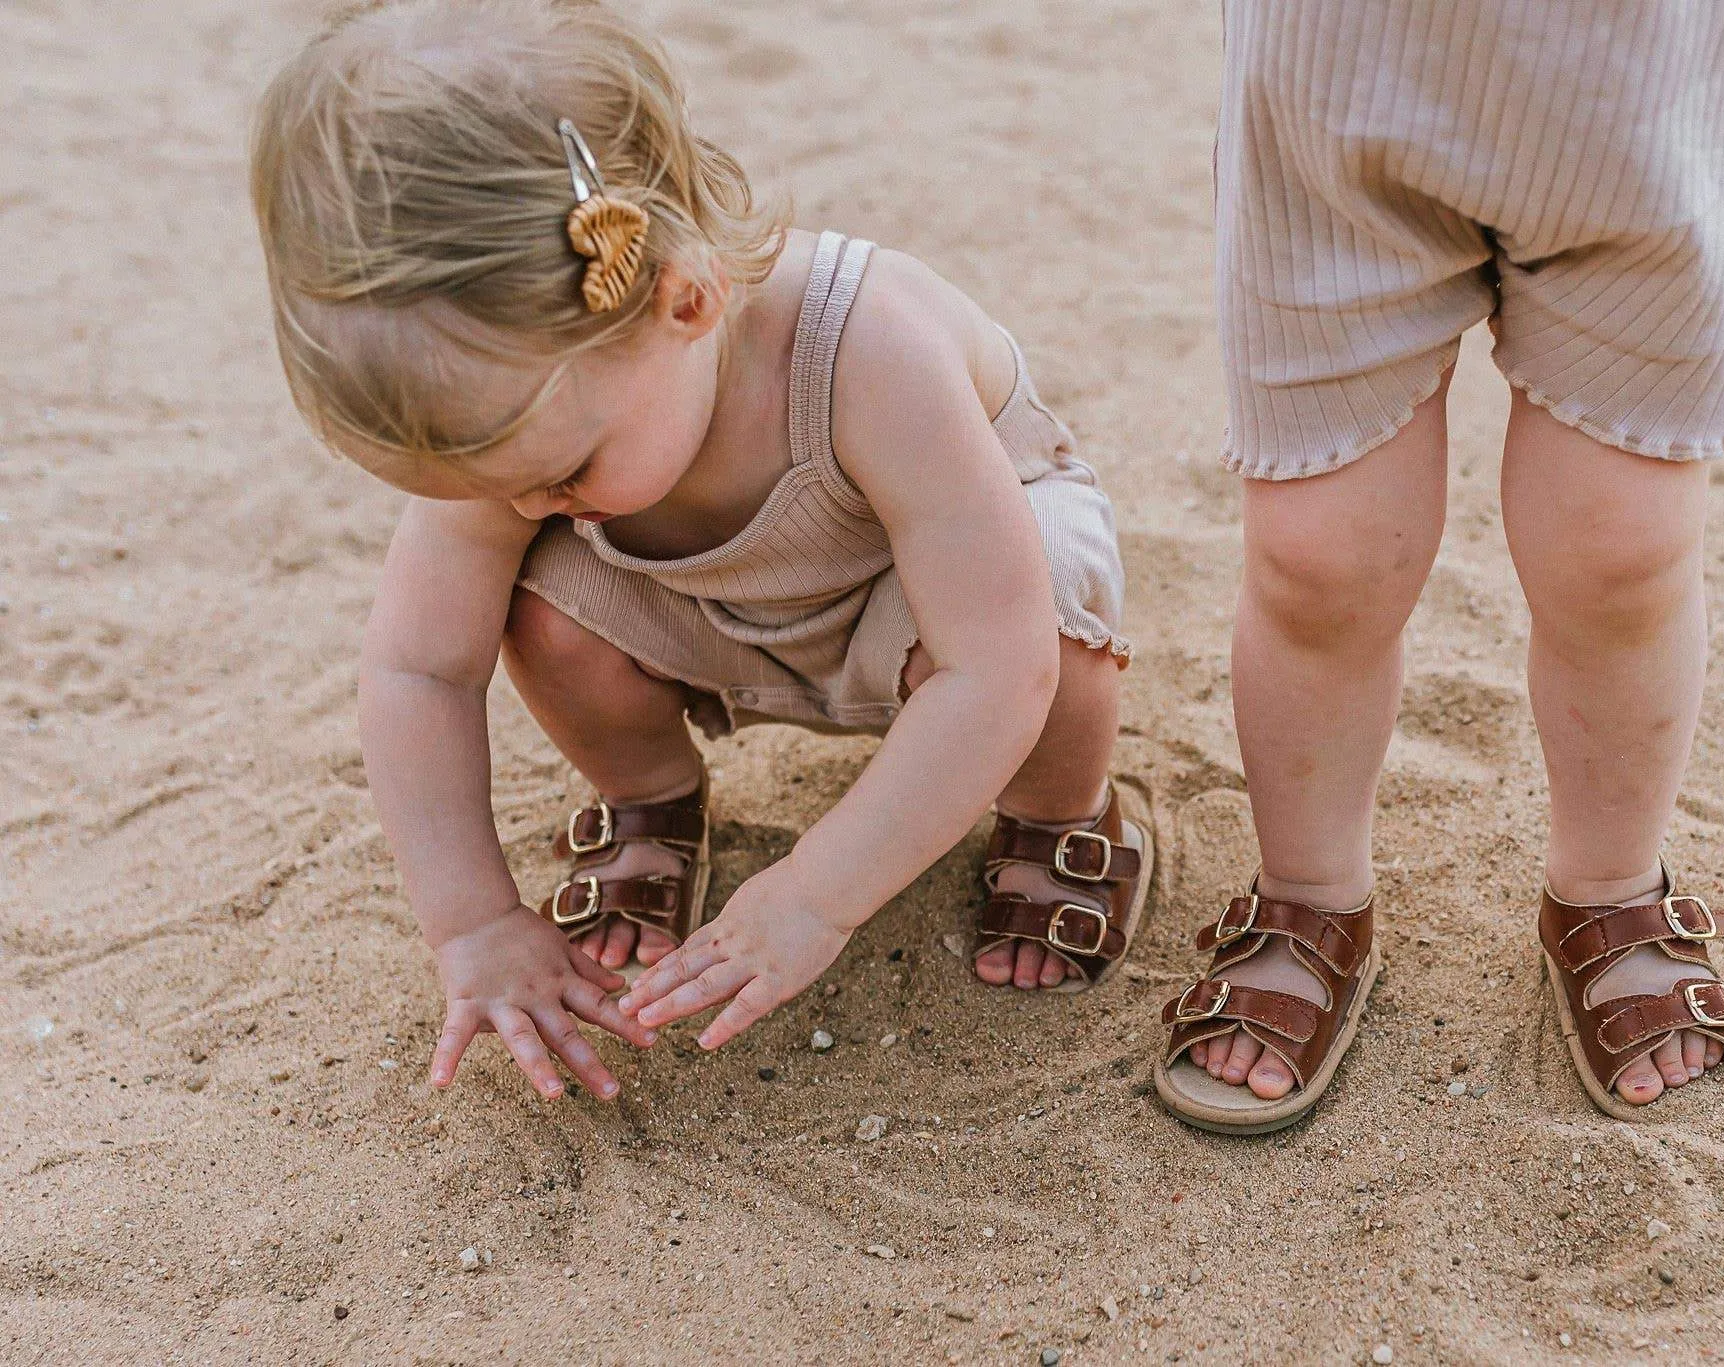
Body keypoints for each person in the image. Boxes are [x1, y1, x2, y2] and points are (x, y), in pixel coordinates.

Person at [249, 0, 1151, 1102]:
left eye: (561, 473)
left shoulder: (866, 348)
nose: (526, 501)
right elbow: (418, 666)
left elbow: (995, 663)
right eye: (488, 487)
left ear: (685, 300)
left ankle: (1060, 815)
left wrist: (816, 891)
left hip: (935, 610)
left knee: (1051, 610)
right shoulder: (527, 408)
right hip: (708, 619)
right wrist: (473, 920)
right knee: (536, 606)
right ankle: (652, 798)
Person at [1154, 0, 1724, 1133]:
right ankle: (1307, 888)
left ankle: (1605, 883)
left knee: (1620, 549)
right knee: (1316, 557)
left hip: (1644, 90)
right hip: (1336, 86)